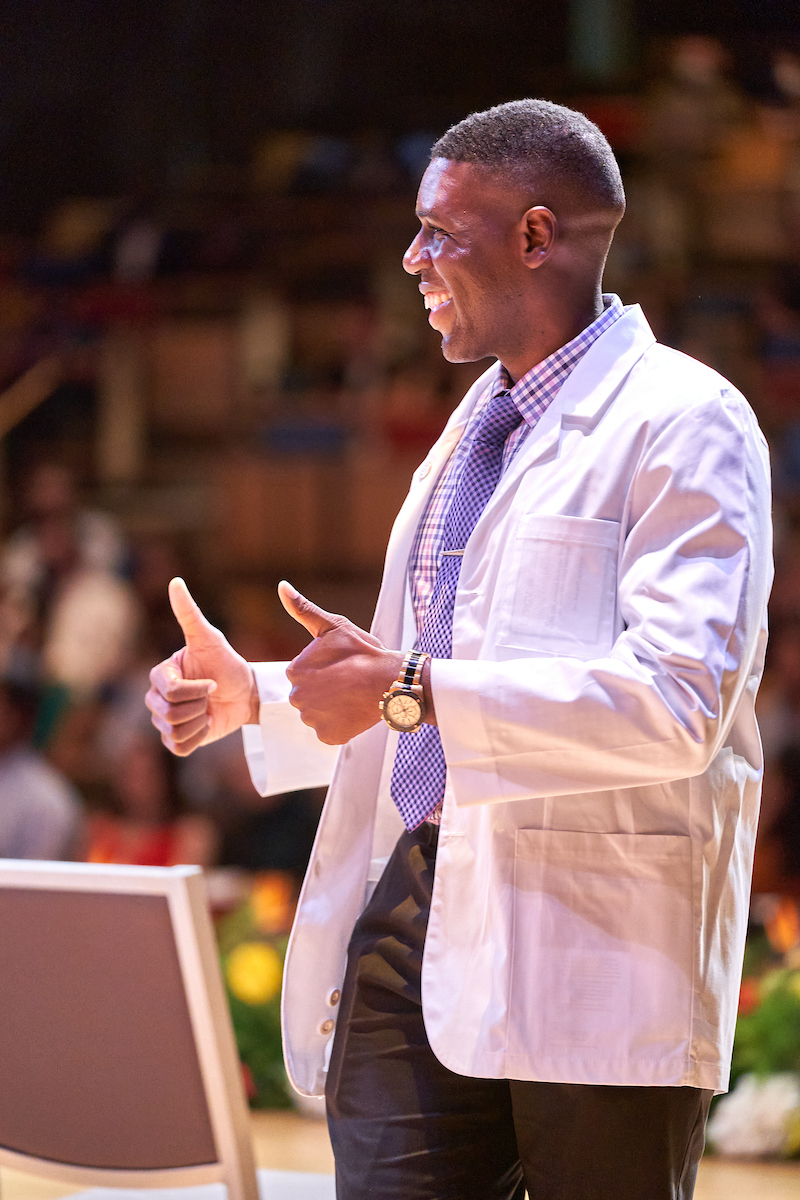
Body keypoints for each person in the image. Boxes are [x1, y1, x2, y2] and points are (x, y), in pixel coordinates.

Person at [147, 100, 773, 1200]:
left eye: (439, 231)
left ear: (534, 237)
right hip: (419, 896)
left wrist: (403, 686)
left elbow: (678, 701)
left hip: (596, 934)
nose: (410, 257)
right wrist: (255, 697)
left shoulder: (685, 419)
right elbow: (413, 681)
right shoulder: (466, 428)